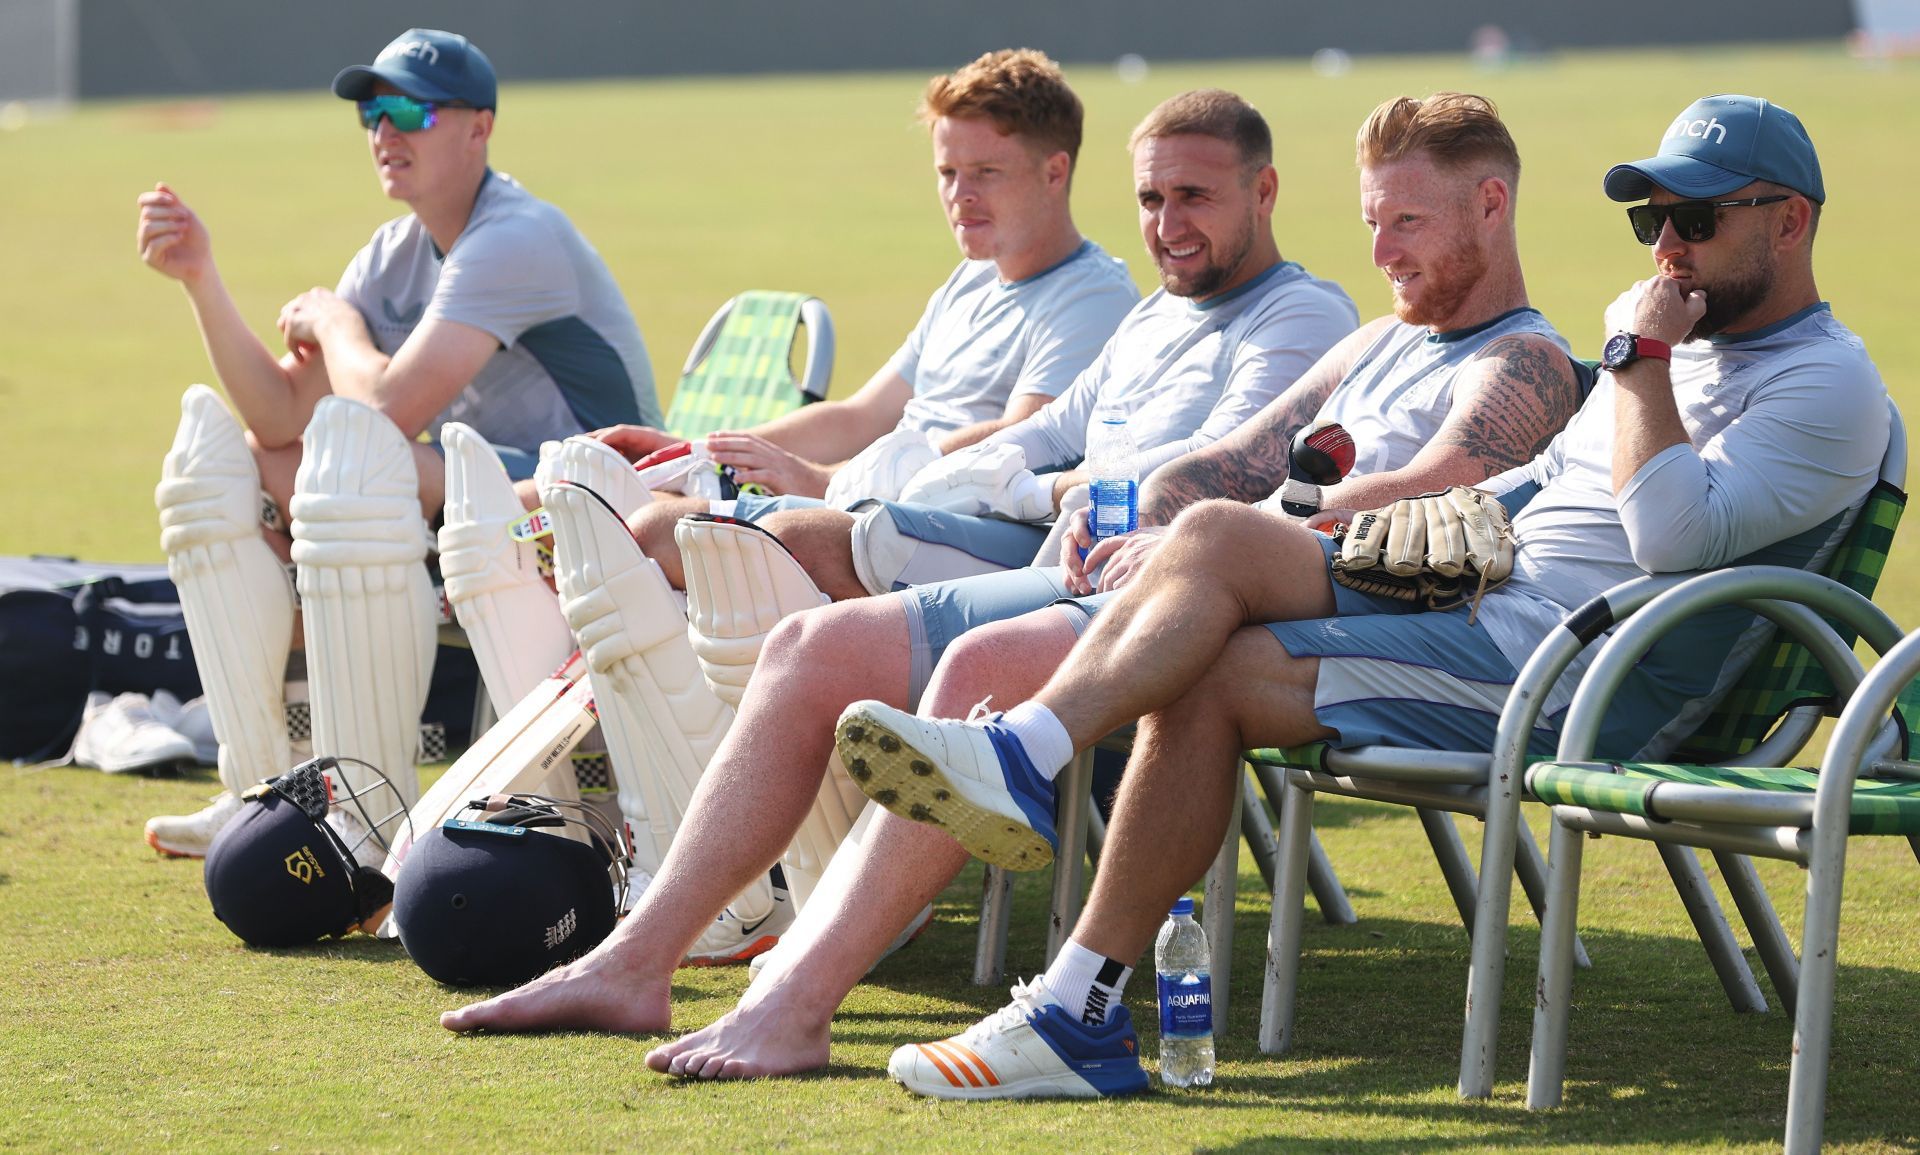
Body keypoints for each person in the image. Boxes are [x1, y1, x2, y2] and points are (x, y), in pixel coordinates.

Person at [437, 93, 1586, 1083]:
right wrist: (1126, 502)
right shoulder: (1376, 342)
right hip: (1170, 584)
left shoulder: (1525, 360)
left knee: (980, 668)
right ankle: (634, 962)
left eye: (1411, 224)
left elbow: (1423, 498)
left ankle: (795, 1004)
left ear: (1491, 208)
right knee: (808, 650)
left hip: (1268, 623)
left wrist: (1210, 537)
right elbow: (1233, 454)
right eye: (1375, 220)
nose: (1384, 250)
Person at [840, 93, 1886, 1100]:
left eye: (1694, 218)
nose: (1666, 244)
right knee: (1207, 603)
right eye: (1652, 215)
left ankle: (1024, 763)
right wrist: (1380, 536)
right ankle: (1075, 1006)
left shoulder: (1824, 382)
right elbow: (1526, 491)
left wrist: (1637, 355)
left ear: (1789, 222)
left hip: (1581, 672)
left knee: (1214, 566)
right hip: (1488, 600)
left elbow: (1670, 534)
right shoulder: (1673, 356)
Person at [138, 27, 662, 857]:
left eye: (409, 110)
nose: (385, 133)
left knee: (348, 463)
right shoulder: (395, 254)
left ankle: (368, 821)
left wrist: (337, 323)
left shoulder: (515, 235)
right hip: (485, 504)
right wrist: (202, 278)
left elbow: (380, 406)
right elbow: (280, 414)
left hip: (588, 500)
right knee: (234, 467)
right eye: (372, 114)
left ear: (478, 127)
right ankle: (268, 792)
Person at [593, 48, 1139, 566]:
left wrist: (832, 480)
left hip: (947, 526)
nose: (960, 195)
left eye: (985, 172)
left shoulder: (1093, 297)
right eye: (948, 173)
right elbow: (862, 414)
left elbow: (1025, 438)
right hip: (879, 502)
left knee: (656, 529)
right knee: (605, 489)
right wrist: (703, 449)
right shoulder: (971, 279)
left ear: (1054, 172)